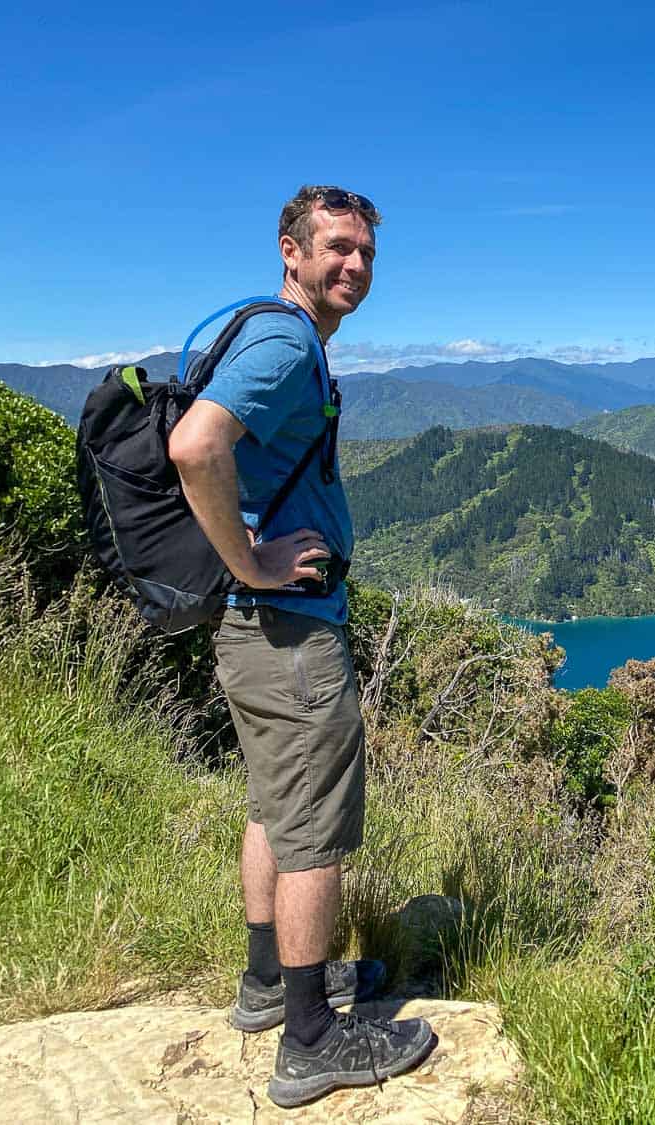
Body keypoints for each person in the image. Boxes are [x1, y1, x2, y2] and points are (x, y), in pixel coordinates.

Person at [169, 185, 434, 1108]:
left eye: (365, 250)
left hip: (256, 633)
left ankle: (266, 986)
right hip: (287, 632)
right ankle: (312, 1039)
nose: (354, 265)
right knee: (314, 829)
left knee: (274, 808)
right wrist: (253, 559)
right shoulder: (284, 343)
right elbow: (195, 445)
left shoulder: (277, 340)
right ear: (291, 251)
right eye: (336, 247)